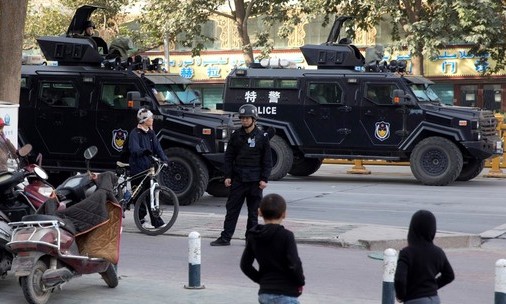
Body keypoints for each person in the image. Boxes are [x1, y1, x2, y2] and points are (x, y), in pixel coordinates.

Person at [210, 104, 272, 246]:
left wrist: (264, 178)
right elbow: (229, 157)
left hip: (255, 181)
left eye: (247, 118)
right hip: (238, 179)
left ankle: (250, 239)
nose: (244, 121)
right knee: (232, 210)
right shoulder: (236, 136)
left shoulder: (262, 137)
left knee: (253, 213)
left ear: (254, 119)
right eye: (242, 118)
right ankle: (225, 238)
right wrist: (227, 176)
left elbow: (267, 160)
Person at [240, 193, 305, 304]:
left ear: (259, 212)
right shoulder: (286, 235)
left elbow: (245, 265)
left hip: (265, 293)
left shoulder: (253, 235)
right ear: (284, 214)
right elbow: (294, 263)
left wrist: (262, 280)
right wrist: (300, 282)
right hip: (286, 292)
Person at [394, 210, 455, 304]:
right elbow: (449, 275)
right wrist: (432, 287)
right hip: (434, 299)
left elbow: (399, 279)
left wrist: (401, 295)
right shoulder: (438, 252)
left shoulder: (407, 253)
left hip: (414, 299)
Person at [128, 108, 169, 228]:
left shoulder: (151, 133)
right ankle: (141, 220)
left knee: (152, 193)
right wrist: (143, 151)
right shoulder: (135, 133)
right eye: (150, 118)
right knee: (140, 194)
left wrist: (165, 159)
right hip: (137, 168)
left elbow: (158, 148)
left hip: (149, 168)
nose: (152, 119)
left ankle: (156, 221)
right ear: (144, 120)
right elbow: (134, 149)